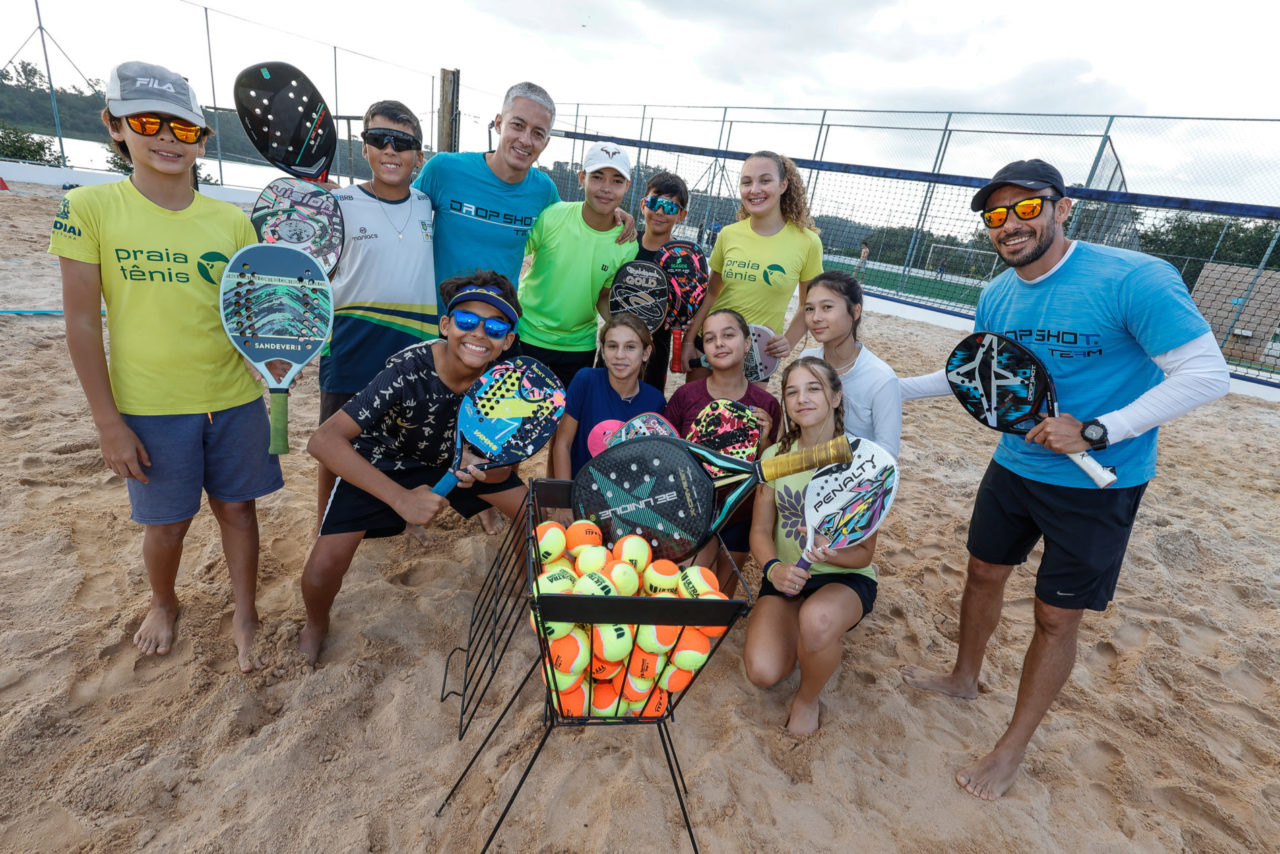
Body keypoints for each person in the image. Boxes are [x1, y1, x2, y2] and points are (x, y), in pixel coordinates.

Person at [897, 159, 1230, 800]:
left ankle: (1011, 749)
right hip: (1015, 467)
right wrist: (884, 389)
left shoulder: (1134, 277)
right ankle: (964, 675)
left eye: (1026, 207)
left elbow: (1206, 374)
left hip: (1099, 483)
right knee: (983, 572)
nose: (1010, 224)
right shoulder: (997, 293)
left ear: (1062, 207)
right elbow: (977, 376)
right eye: (996, 215)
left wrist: (1099, 429)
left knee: (1054, 618)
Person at [52, 61, 282, 673]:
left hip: (233, 399)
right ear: (114, 126)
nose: (167, 138)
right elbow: (80, 325)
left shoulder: (231, 221)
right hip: (149, 407)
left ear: (202, 138)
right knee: (168, 523)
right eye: (148, 122)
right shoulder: (90, 208)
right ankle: (164, 600)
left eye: (184, 128)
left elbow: (250, 309)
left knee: (238, 509)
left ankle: (245, 609)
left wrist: (272, 357)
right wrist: (108, 423)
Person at [299, 272, 530, 664]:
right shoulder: (409, 368)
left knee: (537, 513)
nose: (479, 334)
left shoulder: (507, 386)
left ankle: (527, 584)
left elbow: (502, 473)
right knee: (322, 571)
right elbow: (322, 440)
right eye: (467, 321)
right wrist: (401, 500)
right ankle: (315, 624)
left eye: (494, 327)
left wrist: (482, 470)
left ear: (507, 341)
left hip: (457, 461)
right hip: (387, 459)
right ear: (446, 324)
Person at [744, 357, 880, 735]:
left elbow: (864, 554)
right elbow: (760, 530)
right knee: (763, 672)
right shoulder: (775, 458)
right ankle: (806, 639)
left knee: (817, 623)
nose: (802, 398)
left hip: (842, 577)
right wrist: (774, 569)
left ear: (837, 397)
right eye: (792, 391)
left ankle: (807, 696)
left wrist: (830, 551)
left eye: (814, 388)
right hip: (786, 578)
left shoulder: (860, 462)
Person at [316, 100, 435, 523]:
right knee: (336, 445)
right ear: (362, 148)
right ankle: (324, 526)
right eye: (378, 139)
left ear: (418, 157)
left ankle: (389, 517)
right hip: (350, 344)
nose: (390, 150)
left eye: (402, 143)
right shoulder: (335, 205)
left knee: (397, 440)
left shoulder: (426, 204)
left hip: (410, 349)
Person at [411, 82, 634, 301]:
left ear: (546, 142)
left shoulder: (544, 191)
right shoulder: (443, 169)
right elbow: (399, 214)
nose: (525, 140)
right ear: (499, 123)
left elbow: (574, 222)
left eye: (537, 133)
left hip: (498, 328)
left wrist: (611, 212)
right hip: (435, 321)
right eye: (517, 125)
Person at [664, 309, 781, 597]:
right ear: (704, 349)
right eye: (710, 338)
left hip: (740, 515)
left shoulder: (767, 404)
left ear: (746, 343)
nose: (719, 343)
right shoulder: (686, 396)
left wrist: (765, 443)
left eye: (728, 335)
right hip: (692, 513)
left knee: (720, 602)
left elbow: (771, 473)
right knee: (692, 591)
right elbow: (666, 458)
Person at [680, 151, 823, 380]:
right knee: (695, 414)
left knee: (745, 417)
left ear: (783, 185)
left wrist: (788, 340)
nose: (754, 189)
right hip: (711, 341)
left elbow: (809, 304)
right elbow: (711, 293)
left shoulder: (807, 242)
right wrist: (689, 341)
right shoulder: (728, 234)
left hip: (758, 352)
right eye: (747, 182)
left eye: (765, 180)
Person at [516, 142, 639, 391]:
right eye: (597, 177)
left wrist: (626, 328)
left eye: (616, 180)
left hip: (579, 346)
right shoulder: (552, 216)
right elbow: (512, 254)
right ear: (582, 178)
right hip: (527, 334)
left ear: (627, 186)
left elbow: (603, 295)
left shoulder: (627, 245)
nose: (605, 188)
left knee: (567, 421)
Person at [548, 313, 666, 479]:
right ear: (603, 351)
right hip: (578, 491)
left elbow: (650, 464)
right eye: (612, 346)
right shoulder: (586, 381)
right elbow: (563, 444)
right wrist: (563, 500)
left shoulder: (655, 401)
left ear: (646, 353)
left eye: (630, 347)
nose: (619, 355)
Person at [798, 270, 901, 458]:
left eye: (827, 307)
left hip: (849, 480)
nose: (816, 318)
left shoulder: (881, 378)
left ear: (855, 311)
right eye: (809, 308)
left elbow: (887, 454)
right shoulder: (806, 360)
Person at [634, 170, 690, 392]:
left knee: (648, 406)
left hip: (657, 347)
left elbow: (688, 306)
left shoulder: (682, 259)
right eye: (654, 202)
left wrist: (685, 320)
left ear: (681, 216)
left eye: (669, 207)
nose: (658, 211)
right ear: (642, 205)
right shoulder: (624, 243)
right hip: (618, 340)